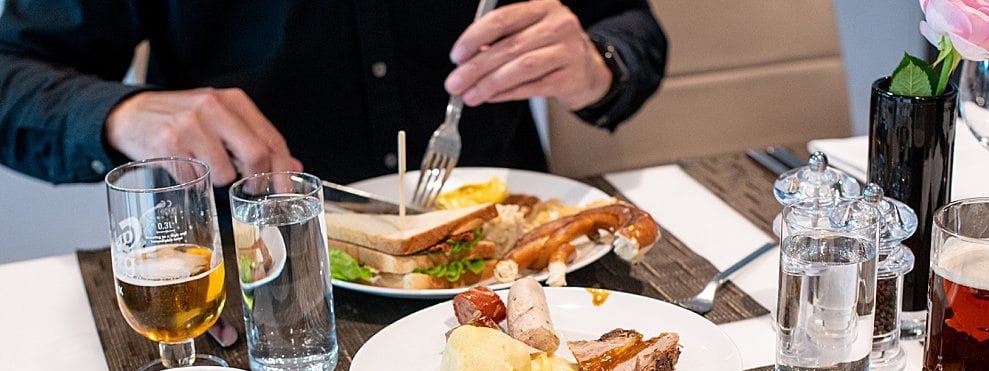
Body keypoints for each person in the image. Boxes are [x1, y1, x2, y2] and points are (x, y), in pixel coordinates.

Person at [0, 0, 666, 187]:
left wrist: (594, 64)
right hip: (264, 280)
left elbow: (633, 29)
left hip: (505, 253)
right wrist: (121, 114)